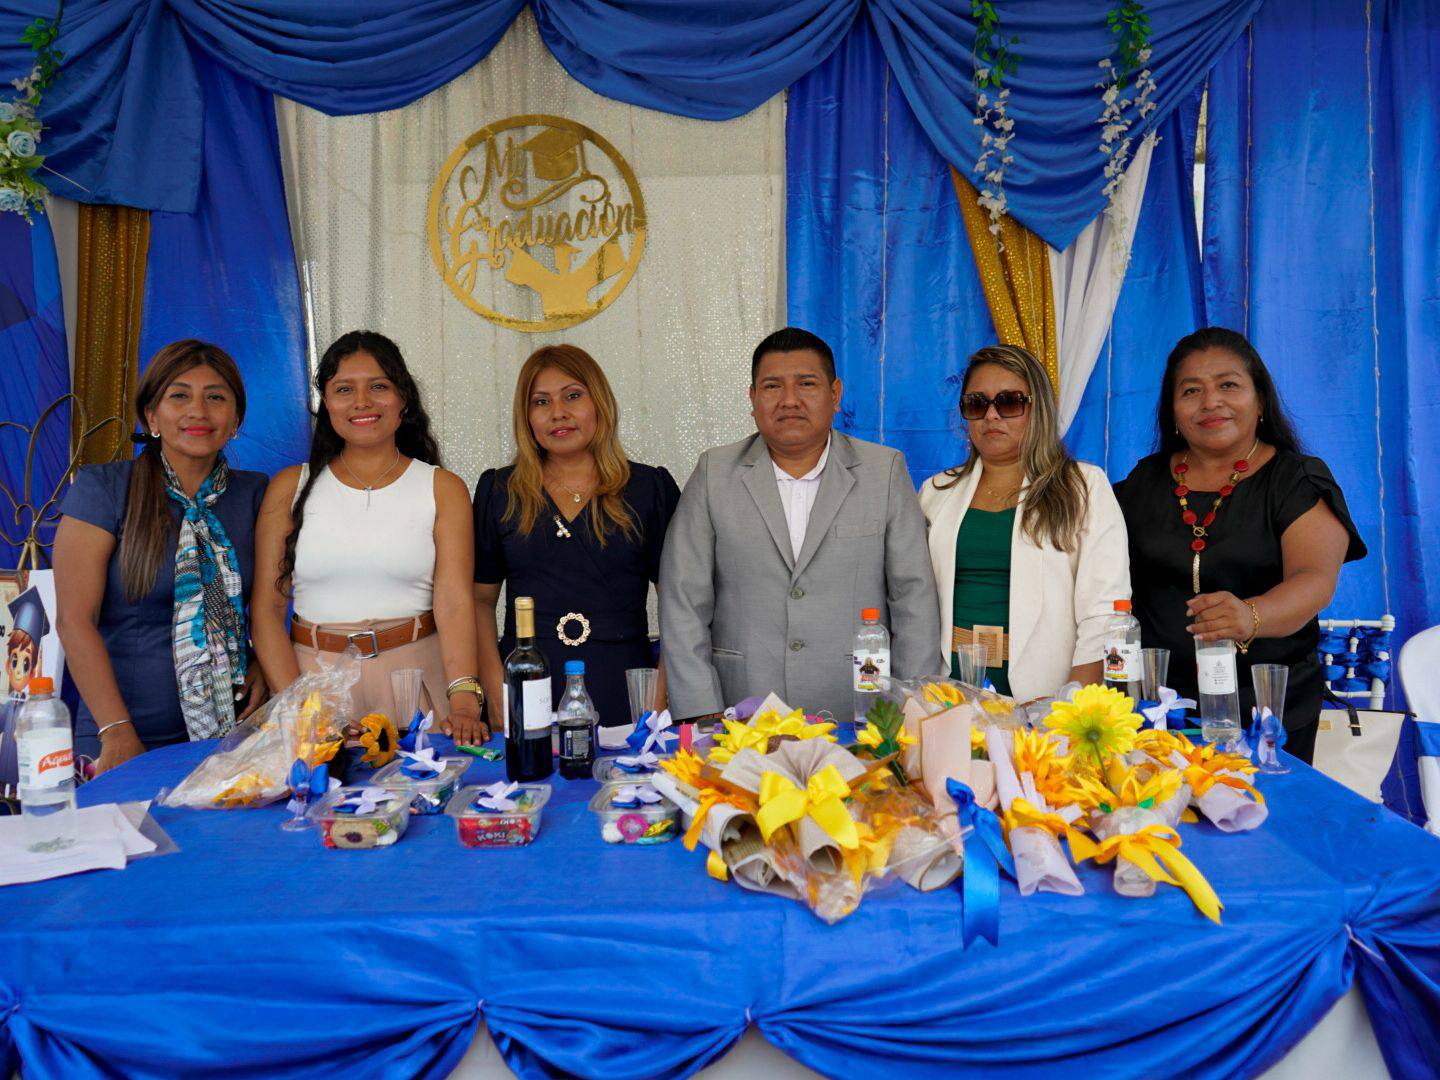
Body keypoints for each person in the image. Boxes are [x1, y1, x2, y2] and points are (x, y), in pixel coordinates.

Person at [659, 327, 942, 724]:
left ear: (835, 394)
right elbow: (683, 600)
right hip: (741, 713)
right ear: (753, 398)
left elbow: (914, 599)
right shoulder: (714, 473)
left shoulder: (883, 471)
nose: (789, 400)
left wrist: (911, 709)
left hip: (860, 710)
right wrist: (701, 711)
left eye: (806, 384)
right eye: (772, 386)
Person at [1114, 327, 1366, 763]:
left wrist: (1251, 615)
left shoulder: (1296, 479)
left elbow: (1314, 580)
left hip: (1265, 711)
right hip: (1155, 710)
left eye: (1228, 385)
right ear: (1173, 410)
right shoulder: (1144, 481)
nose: (1211, 402)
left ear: (1260, 401)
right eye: (1191, 390)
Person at [251, 331, 485, 744]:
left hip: (417, 680)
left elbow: (454, 601)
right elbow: (268, 609)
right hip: (313, 687)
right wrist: (300, 706)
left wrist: (464, 698)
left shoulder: (442, 488)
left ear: (403, 399)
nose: (362, 402)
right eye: (344, 389)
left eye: (379, 386)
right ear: (326, 403)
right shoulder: (290, 487)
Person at [53, 341, 268, 776]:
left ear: (236, 420)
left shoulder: (255, 494)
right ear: (151, 416)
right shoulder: (104, 489)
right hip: (125, 739)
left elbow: (274, 605)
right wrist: (117, 732)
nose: (198, 411)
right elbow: (74, 621)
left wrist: (263, 661)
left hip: (233, 740)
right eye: (179, 395)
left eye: (215, 397)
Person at [473, 345, 680, 730]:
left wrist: (660, 693)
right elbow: (479, 601)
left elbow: (680, 601)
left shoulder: (649, 489)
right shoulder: (499, 491)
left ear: (600, 402)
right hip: (529, 681)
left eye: (572, 396)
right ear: (526, 417)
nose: (558, 413)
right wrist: (495, 687)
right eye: (541, 402)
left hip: (624, 682)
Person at [918, 345, 1131, 700]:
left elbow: (1104, 613)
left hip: (1046, 698)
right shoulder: (935, 491)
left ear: (1039, 407)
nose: (992, 415)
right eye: (976, 404)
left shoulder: (1083, 486)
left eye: (1009, 402)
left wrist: (1071, 707)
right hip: (947, 696)